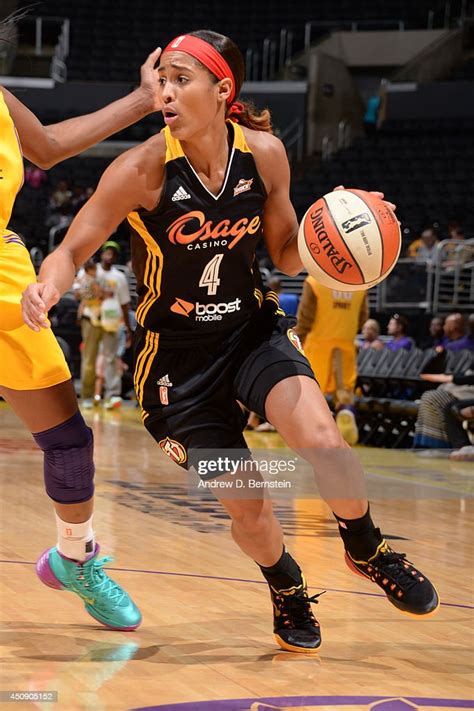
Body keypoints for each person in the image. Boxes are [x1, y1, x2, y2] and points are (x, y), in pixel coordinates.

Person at [22, 30, 439, 654]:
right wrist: (47, 288)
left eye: (180, 79)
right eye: (161, 79)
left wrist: (344, 232)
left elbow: (286, 251)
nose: (164, 91)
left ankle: (367, 547)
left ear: (223, 91)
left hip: (251, 332)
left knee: (324, 441)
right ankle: (287, 584)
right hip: (175, 365)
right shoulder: (140, 170)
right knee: (250, 504)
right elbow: (73, 249)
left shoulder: (266, 155)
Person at [0, 33, 163, 631]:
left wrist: (145, 99)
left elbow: (46, 146)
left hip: (5, 275)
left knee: (68, 440)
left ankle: (75, 557)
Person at [295, 279, 368, 445]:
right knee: (344, 392)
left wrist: (295, 339)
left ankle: (315, 432)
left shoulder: (315, 282)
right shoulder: (359, 285)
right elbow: (363, 319)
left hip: (318, 345)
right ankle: (346, 412)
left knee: (312, 391)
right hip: (346, 344)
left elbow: (305, 318)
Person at [75, 241, 132, 409]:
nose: (110, 255)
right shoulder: (91, 270)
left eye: (113, 253)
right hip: (91, 318)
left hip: (112, 320)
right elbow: (78, 292)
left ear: (116, 257)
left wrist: (128, 328)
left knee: (111, 358)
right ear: (102, 253)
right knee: (89, 359)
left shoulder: (119, 277)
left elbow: (125, 303)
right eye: (107, 251)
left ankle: (113, 396)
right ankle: (86, 396)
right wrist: (94, 291)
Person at [415, 368, 474, 449]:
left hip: (469, 393)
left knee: (438, 401)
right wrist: (447, 376)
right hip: (464, 389)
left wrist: (451, 378)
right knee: (429, 397)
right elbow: (468, 372)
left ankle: (440, 449)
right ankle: (425, 447)